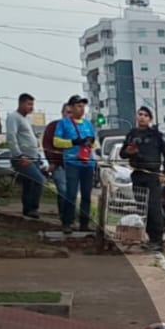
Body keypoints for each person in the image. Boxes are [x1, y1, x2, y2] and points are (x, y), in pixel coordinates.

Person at [123, 106, 165, 252]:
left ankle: (157, 240)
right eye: (140, 114)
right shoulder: (131, 134)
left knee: (153, 208)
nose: (142, 117)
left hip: (153, 175)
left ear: (150, 119)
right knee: (143, 208)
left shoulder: (156, 135)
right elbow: (123, 153)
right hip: (137, 174)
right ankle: (151, 238)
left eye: (145, 115)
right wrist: (129, 151)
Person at [51, 95, 98, 234]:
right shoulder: (64, 123)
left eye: (83, 106)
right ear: (71, 107)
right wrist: (74, 142)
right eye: (78, 105)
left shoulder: (88, 124)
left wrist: (90, 142)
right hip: (72, 161)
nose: (81, 109)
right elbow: (56, 142)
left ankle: (84, 222)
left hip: (87, 163)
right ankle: (67, 222)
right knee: (71, 192)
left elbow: (95, 143)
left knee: (86, 194)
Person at [4, 94, 48, 221]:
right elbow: (11, 137)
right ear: (21, 103)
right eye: (29, 104)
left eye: (32, 104)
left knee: (28, 183)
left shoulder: (26, 119)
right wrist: (19, 155)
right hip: (22, 157)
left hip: (33, 157)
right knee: (39, 180)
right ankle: (33, 208)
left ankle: (27, 210)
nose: (31, 107)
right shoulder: (13, 117)